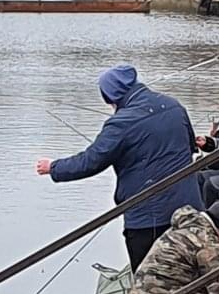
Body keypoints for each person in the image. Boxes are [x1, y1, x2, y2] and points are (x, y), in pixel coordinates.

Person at [36, 64, 203, 272]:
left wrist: (53, 167)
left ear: (109, 96)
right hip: (190, 207)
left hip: (147, 218)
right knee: (190, 271)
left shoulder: (121, 123)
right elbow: (190, 146)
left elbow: (90, 161)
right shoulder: (173, 105)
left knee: (150, 281)